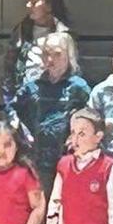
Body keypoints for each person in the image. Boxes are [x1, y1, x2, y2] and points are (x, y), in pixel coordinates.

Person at [9, 32, 92, 192]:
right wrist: (20, 128)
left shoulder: (78, 87)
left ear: (69, 55)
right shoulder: (32, 87)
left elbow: (91, 117)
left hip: (69, 159)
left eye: (57, 54)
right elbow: (12, 108)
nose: (50, 59)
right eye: (46, 54)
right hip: (37, 159)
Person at [3, 0, 74, 113]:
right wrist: (10, 102)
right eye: (28, 0)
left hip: (54, 101)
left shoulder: (64, 35)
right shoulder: (22, 31)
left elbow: (73, 71)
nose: (29, 5)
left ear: (49, 5)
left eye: (34, 1)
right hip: (24, 100)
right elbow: (9, 69)